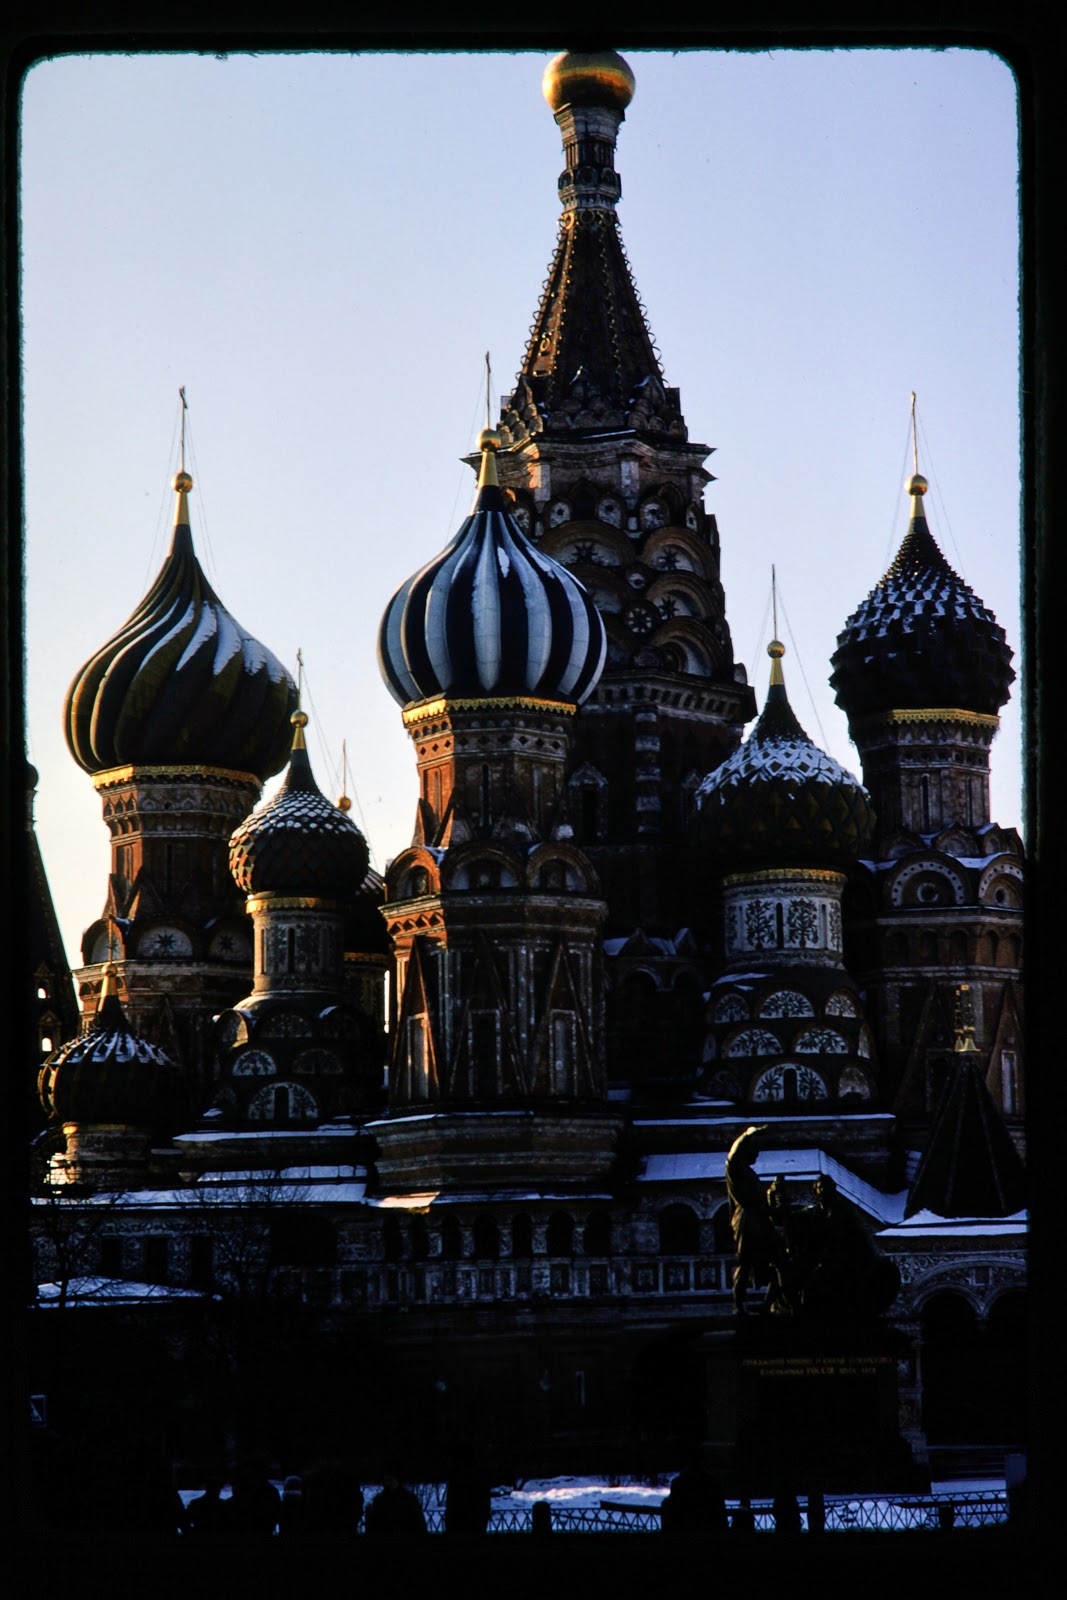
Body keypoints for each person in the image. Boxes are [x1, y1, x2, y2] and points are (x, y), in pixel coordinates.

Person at [725, 1126, 783, 1314]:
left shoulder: (751, 1174)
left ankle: (769, 1304)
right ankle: (739, 1304)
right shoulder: (736, 1170)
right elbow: (732, 1155)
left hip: (761, 1219)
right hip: (747, 1221)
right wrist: (748, 1134)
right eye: (754, 1150)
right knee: (746, 1262)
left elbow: (764, 1204)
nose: (757, 1154)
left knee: (781, 1260)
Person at [364, 1464, 427, 1537]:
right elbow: (372, 1527)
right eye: (385, 1481)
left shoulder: (410, 1500)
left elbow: (419, 1526)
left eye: (390, 1480)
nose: (387, 1484)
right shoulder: (378, 1501)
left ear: (397, 1480)